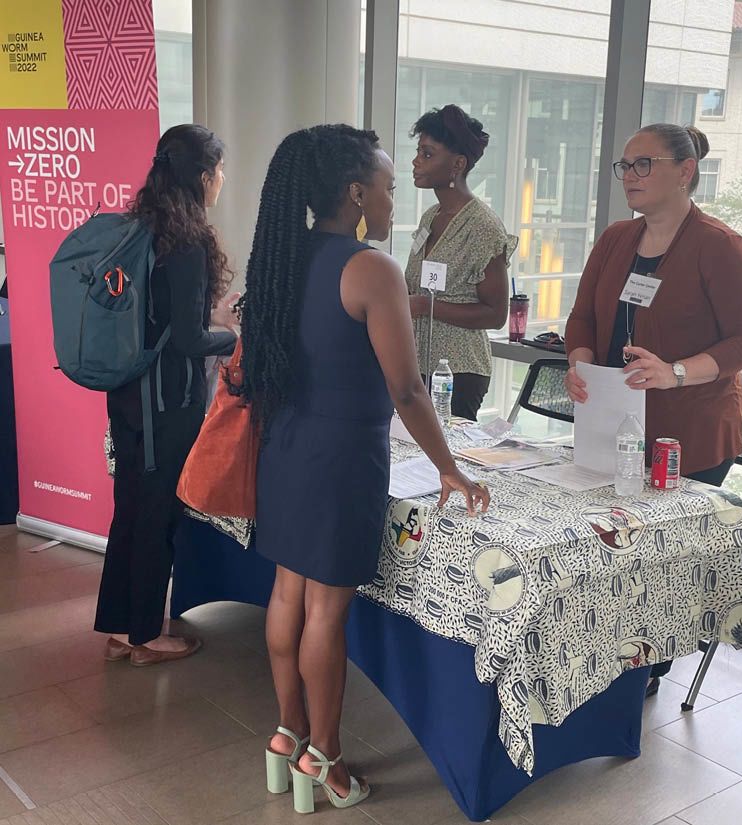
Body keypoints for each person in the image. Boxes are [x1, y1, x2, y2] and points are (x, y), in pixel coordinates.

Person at [240, 124, 489, 811]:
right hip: (341, 458)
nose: (391, 195)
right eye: (384, 184)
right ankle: (327, 758)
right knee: (326, 611)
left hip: (286, 448)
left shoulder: (282, 257)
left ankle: (288, 737)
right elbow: (407, 389)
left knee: (288, 594)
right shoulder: (369, 268)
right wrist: (452, 469)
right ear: (355, 192)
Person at [564, 122, 742, 694]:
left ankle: (644, 666)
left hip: (687, 434)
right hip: (613, 423)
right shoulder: (616, 239)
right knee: (612, 549)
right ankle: (605, 657)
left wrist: (674, 373)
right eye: (625, 166)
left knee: (657, 566)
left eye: (643, 164)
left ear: (685, 172)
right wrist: (579, 361)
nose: (630, 177)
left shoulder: (719, 246)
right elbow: (583, 319)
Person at [94, 125, 239, 666]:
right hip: (168, 401)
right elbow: (187, 339)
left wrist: (207, 319)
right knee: (158, 514)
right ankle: (147, 636)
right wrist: (233, 337)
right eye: (220, 171)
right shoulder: (188, 242)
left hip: (128, 390)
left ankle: (120, 625)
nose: (222, 181)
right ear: (203, 177)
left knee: (129, 508)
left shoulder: (138, 229)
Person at [405, 104, 517, 421]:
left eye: (427, 154)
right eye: (418, 152)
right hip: (418, 365)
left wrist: (424, 306)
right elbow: (417, 284)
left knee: (442, 462)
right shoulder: (431, 217)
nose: (415, 162)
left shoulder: (483, 227)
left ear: (457, 164)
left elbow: (496, 315)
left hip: (457, 373)